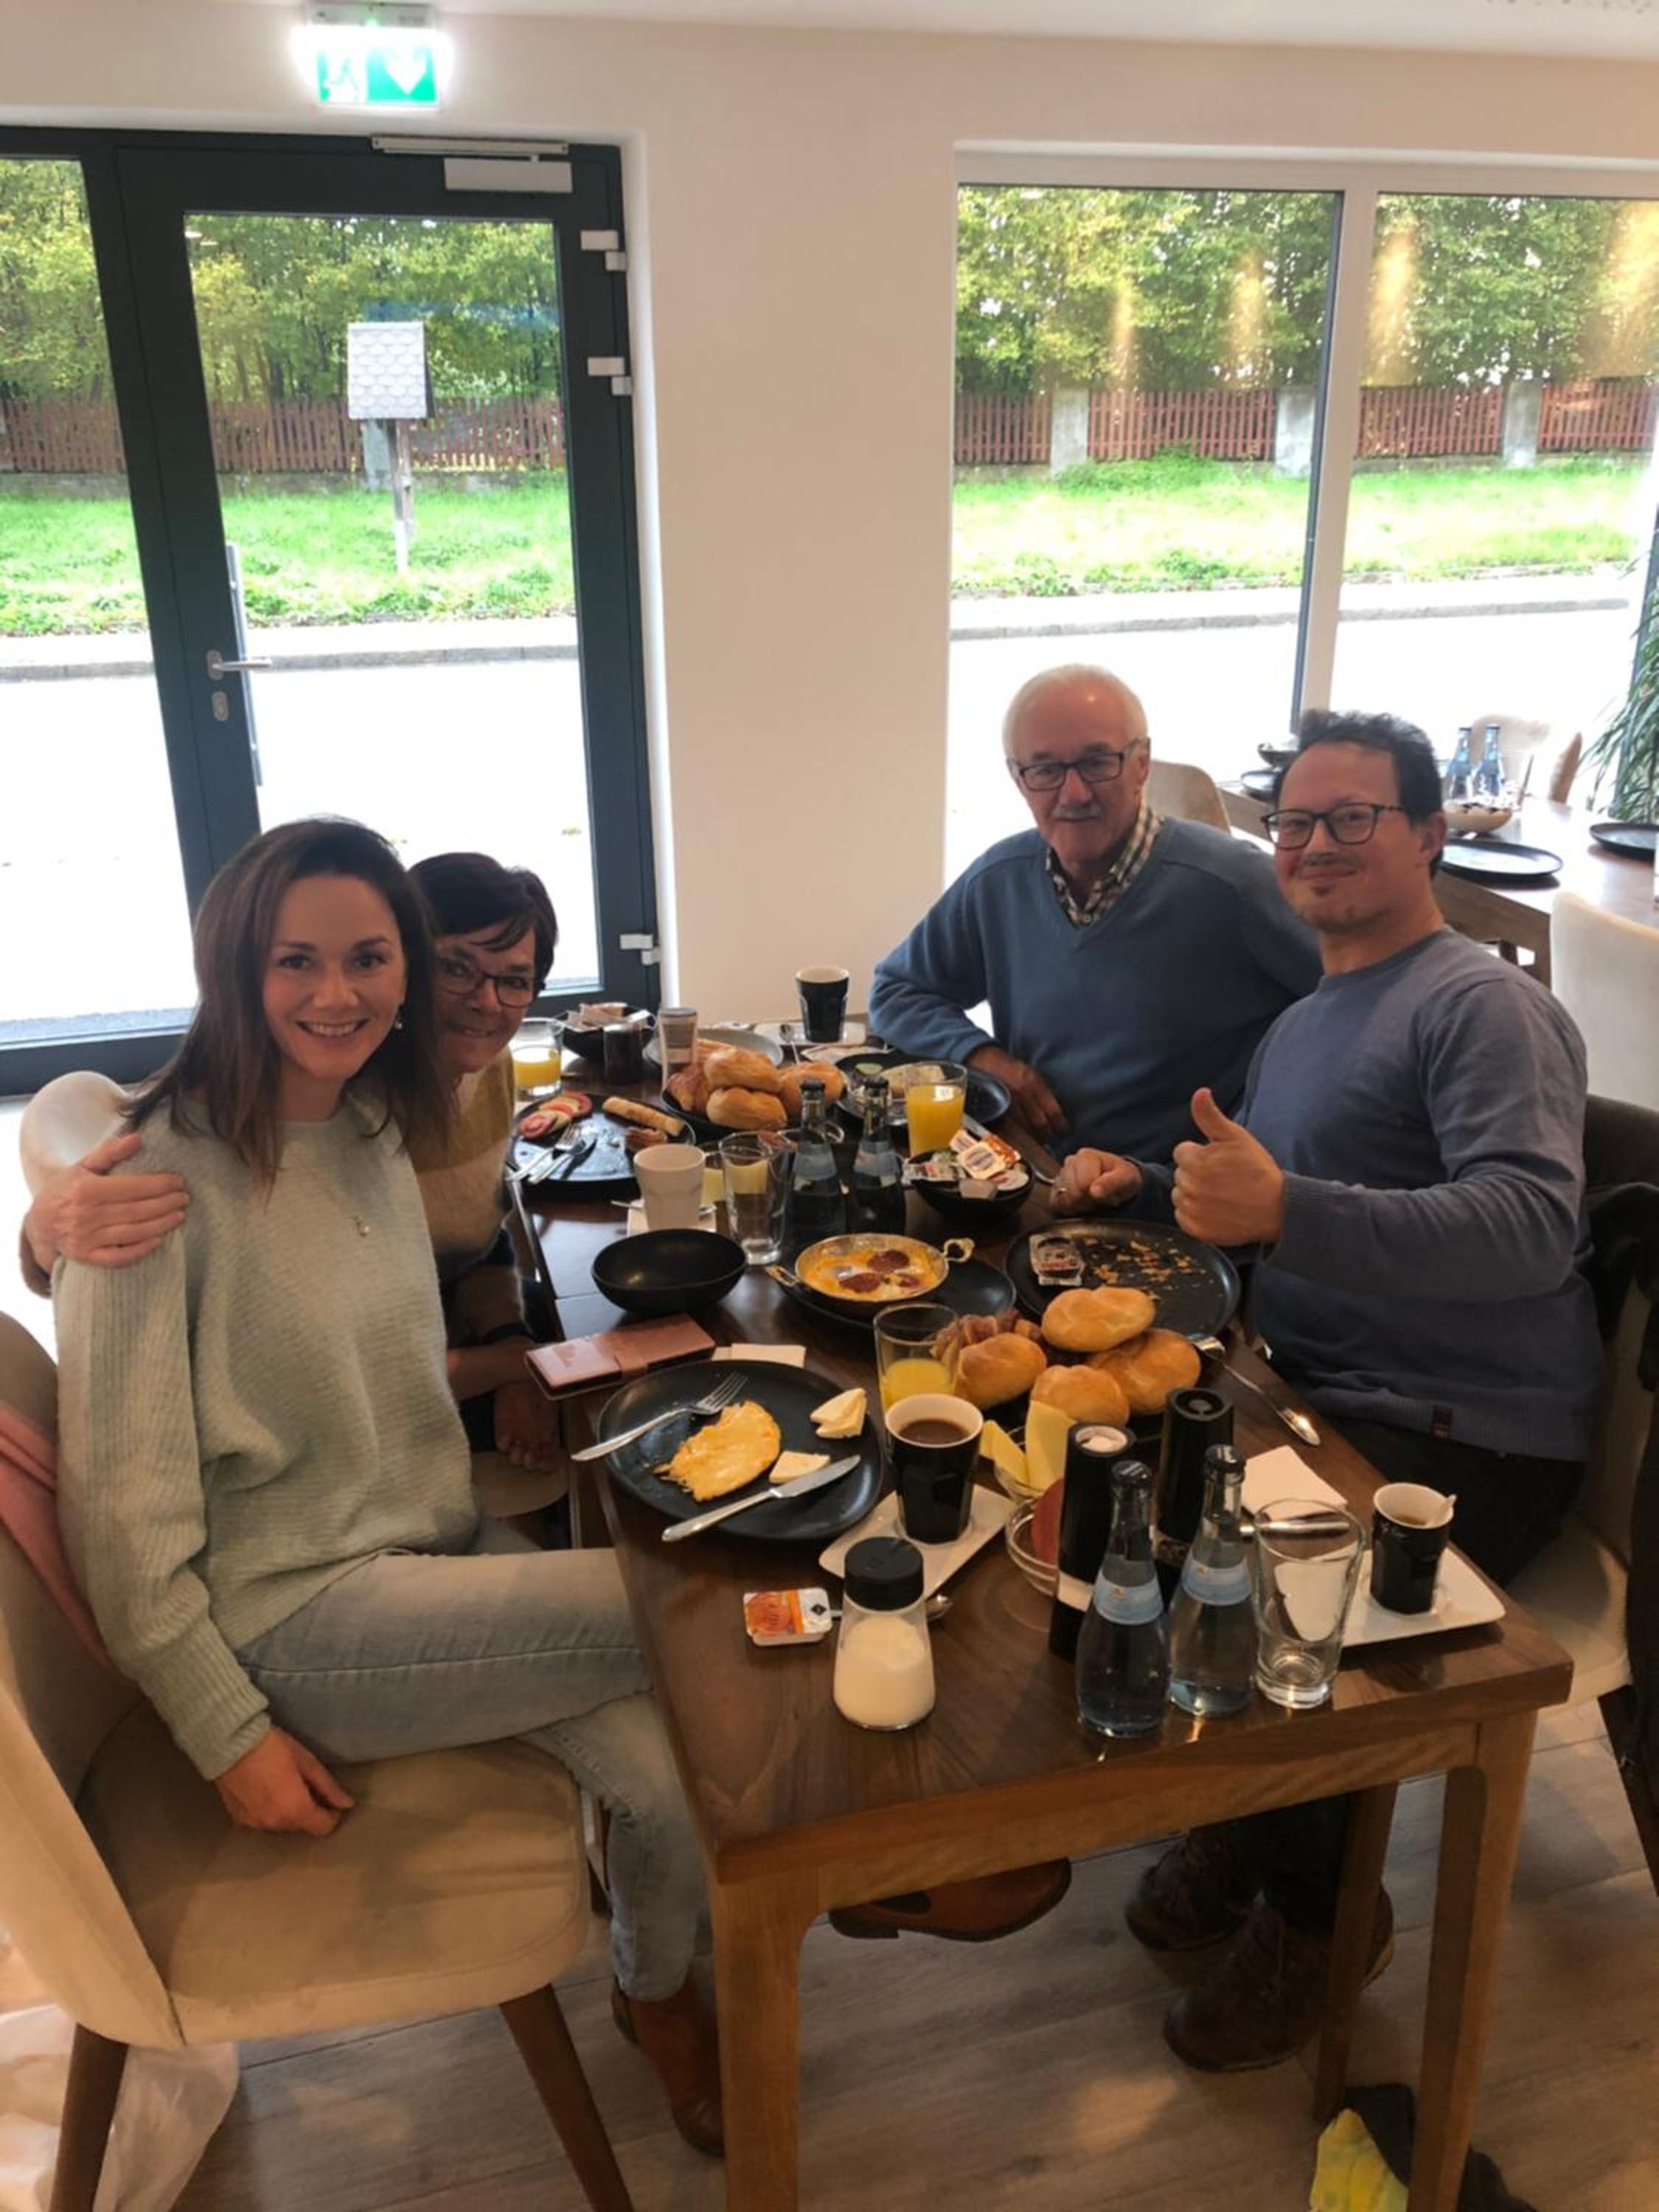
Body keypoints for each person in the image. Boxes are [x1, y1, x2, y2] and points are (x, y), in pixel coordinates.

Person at [50, 818, 722, 2154]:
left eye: (366, 958)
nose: (335, 992)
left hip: (423, 1545)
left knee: (659, 1776)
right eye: (293, 960)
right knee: (687, 1596)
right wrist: (225, 1733)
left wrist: (526, 1359)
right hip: (291, 1614)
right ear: (231, 965)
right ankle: (863, 1856)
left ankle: (653, 1988)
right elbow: (119, 1518)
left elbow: (408, 1339)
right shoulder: (151, 1190)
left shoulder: (364, 1123)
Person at [1056, 709, 1601, 2072]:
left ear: (1429, 835)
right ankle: (1250, 1825)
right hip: (1319, 1393)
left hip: (1462, 1430)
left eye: (1353, 818)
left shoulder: (1481, 1006)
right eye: (1295, 822)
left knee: (1261, 1589)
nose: (1314, 845)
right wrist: (1153, 1188)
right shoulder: (1308, 1018)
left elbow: (1531, 1226)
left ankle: (1323, 1919)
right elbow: (1263, 1194)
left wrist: (1288, 1212)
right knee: (1127, 1509)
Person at [19, 850, 563, 1480]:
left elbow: (480, 1242)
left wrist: (509, 1348)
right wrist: (42, 1236)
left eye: (515, 980)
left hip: (448, 1334)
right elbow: (307, 1360)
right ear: (409, 968)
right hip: (344, 1408)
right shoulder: (332, 1098)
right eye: (457, 969)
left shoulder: (488, 1072)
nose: (487, 1001)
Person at [869, 664, 1319, 1159]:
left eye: (1097, 762)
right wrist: (982, 1056)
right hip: (1034, 1173)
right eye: (1045, 770)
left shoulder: (1234, 885)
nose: (1074, 793)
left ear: (1141, 764)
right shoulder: (1000, 880)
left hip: (1173, 1193)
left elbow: (1356, 1009)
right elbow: (896, 990)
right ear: (1018, 780)